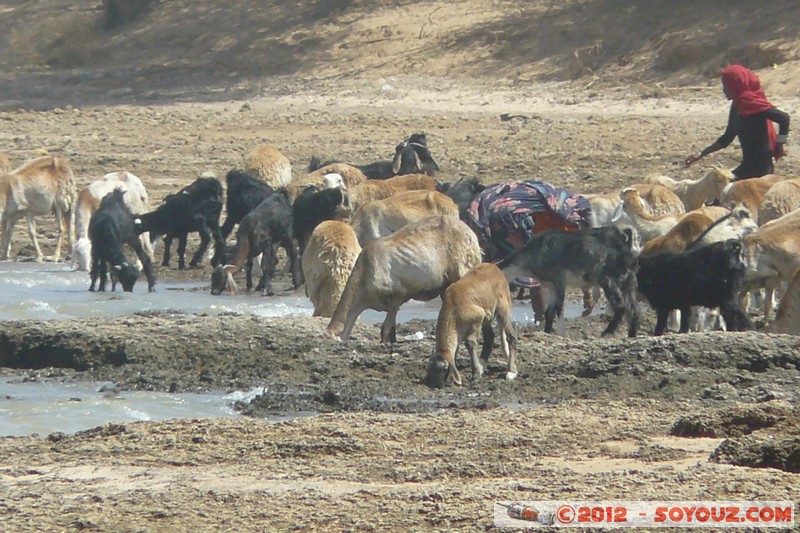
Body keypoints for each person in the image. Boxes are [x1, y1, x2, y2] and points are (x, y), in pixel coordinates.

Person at [685, 64, 790, 181]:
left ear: (736, 85)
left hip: (761, 171)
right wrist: (700, 154)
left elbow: (784, 118)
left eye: (726, 85)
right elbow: (727, 137)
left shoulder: (753, 103)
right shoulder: (737, 105)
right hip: (747, 167)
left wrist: (780, 144)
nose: (724, 90)